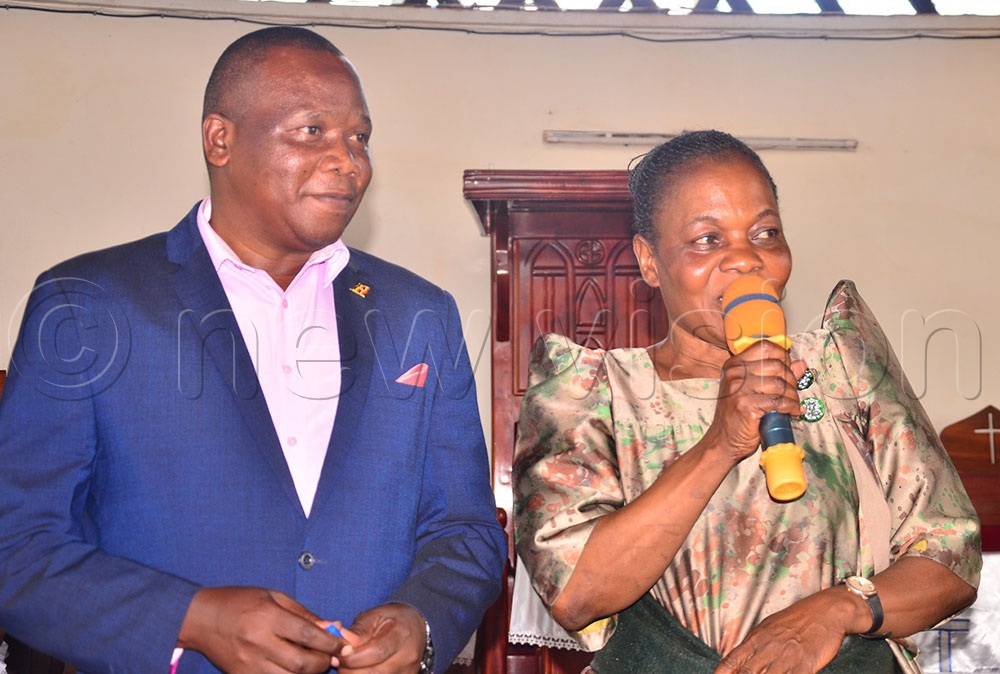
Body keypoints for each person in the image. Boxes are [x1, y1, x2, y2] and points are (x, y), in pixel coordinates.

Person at [0, 27, 505, 674]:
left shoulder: (420, 313)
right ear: (221, 139)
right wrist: (195, 618)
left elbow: (464, 532)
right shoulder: (89, 304)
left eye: (360, 138)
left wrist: (422, 622)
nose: (348, 161)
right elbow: (17, 546)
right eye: (312, 132)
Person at [513, 130, 981, 674]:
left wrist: (837, 610)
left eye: (765, 232)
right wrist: (720, 443)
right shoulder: (594, 394)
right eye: (707, 240)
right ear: (648, 259)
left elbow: (951, 557)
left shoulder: (841, 368)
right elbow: (576, 593)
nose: (745, 259)